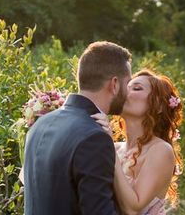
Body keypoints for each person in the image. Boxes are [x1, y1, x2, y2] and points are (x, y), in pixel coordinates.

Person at [23, 41, 132, 215]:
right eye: (128, 84)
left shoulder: (39, 125)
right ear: (114, 84)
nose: (129, 92)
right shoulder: (95, 137)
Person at [92, 70, 184, 215]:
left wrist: (109, 148)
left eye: (136, 88)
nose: (123, 92)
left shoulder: (161, 150)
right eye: (125, 86)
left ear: (159, 105)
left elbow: (132, 209)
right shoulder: (115, 147)